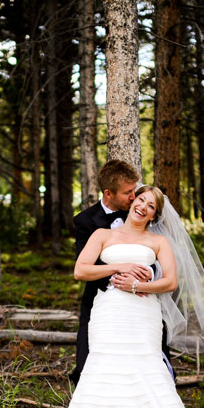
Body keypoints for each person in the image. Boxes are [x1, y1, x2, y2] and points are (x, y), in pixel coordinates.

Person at [43, 185, 204, 408]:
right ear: (132, 201)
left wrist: (136, 286)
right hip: (108, 313)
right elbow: (81, 270)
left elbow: (169, 282)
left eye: (151, 205)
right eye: (141, 199)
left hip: (142, 315)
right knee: (105, 370)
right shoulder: (103, 235)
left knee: (145, 370)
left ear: (155, 214)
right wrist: (120, 266)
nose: (143, 206)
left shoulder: (158, 242)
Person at [71, 160, 147, 386]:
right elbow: (84, 267)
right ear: (108, 193)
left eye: (134, 190)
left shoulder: (139, 213)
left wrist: (142, 279)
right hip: (99, 299)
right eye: (127, 193)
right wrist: (118, 274)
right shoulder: (85, 221)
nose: (134, 197)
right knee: (87, 365)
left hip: (139, 298)